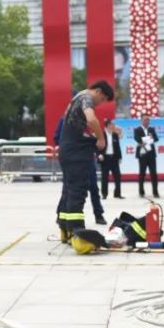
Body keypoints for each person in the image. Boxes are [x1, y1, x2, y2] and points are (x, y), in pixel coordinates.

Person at [55, 81, 114, 241]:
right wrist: (101, 139)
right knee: (77, 190)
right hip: (75, 152)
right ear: (99, 91)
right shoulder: (87, 98)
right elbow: (91, 119)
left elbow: (69, 120)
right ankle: (77, 231)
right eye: (102, 99)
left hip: (66, 148)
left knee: (68, 189)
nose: (100, 103)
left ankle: (65, 229)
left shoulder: (77, 97)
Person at [134, 115, 159, 197]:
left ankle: (155, 192)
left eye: (148, 119)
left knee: (153, 173)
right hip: (142, 154)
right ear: (141, 120)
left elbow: (156, 139)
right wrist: (148, 139)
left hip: (151, 154)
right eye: (145, 119)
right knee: (142, 173)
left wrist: (149, 139)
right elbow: (137, 139)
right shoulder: (137, 129)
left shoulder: (152, 129)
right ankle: (141, 192)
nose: (147, 121)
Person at [99, 118, 123, 200]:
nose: (113, 126)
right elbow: (98, 146)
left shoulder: (115, 135)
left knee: (117, 176)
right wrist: (99, 154)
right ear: (107, 126)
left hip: (114, 158)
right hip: (105, 158)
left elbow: (118, 147)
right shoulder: (101, 134)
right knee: (105, 177)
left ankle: (117, 193)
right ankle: (104, 194)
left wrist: (120, 157)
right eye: (111, 125)